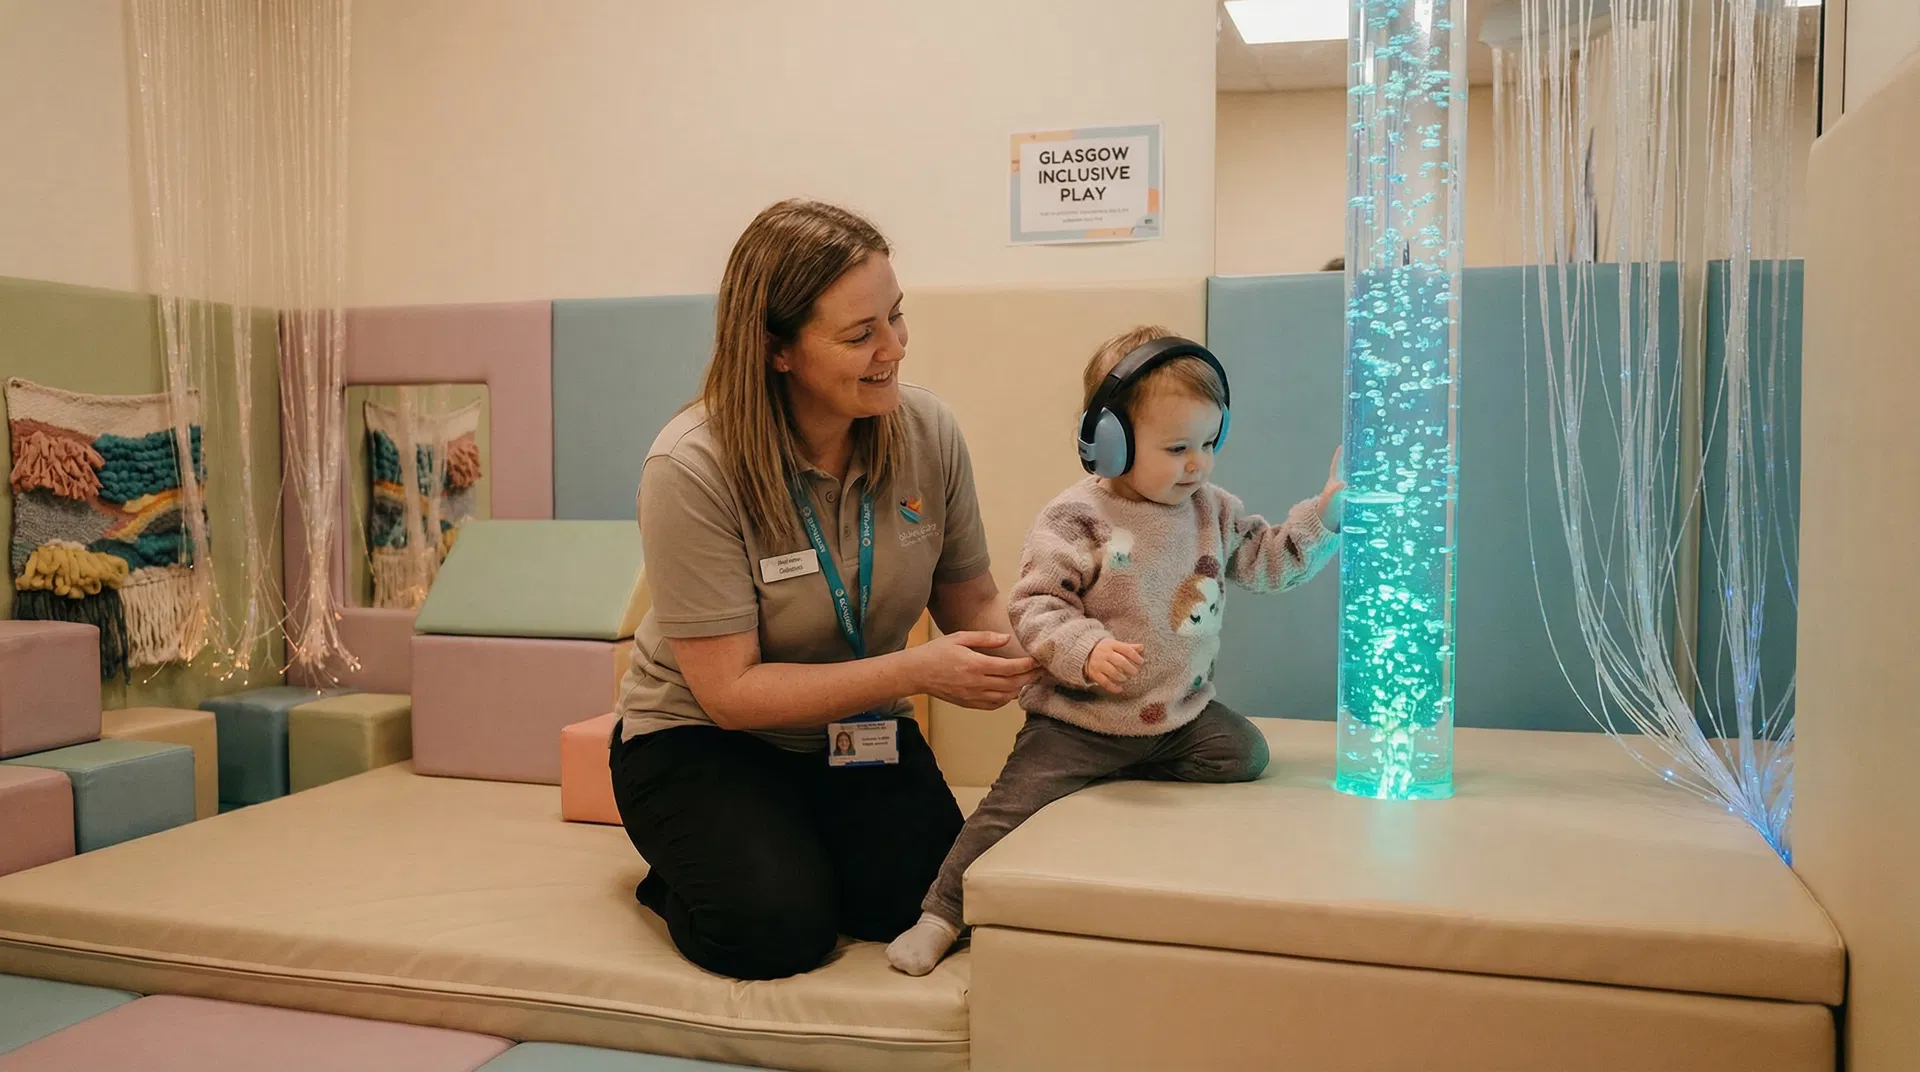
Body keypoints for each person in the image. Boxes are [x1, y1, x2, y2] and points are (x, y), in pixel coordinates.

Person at [611, 199, 1037, 981]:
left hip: (855, 730)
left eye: (896, 318)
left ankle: (797, 840)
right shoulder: (693, 467)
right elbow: (730, 694)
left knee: (929, 903)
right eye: (859, 334)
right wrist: (919, 671)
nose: (893, 350)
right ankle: (678, 873)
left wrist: (1049, 648)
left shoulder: (929, 433)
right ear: (776, 349)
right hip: (704, 740)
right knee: (771, 931)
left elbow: (971, 598)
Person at [886, 326, 1343, 976]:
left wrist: (1322, 518)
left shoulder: (1210, 510)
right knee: (1003, 813)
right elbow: (1036, 607)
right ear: (1109, 443)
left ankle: (1128, 771)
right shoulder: (1075, 520)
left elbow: (1271, 561)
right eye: (1178, 447)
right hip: (1080, 723)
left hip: (1176, 718)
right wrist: (1087, 648)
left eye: (1210, 443)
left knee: (1245, 754)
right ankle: (940, 915)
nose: (1199, 464)